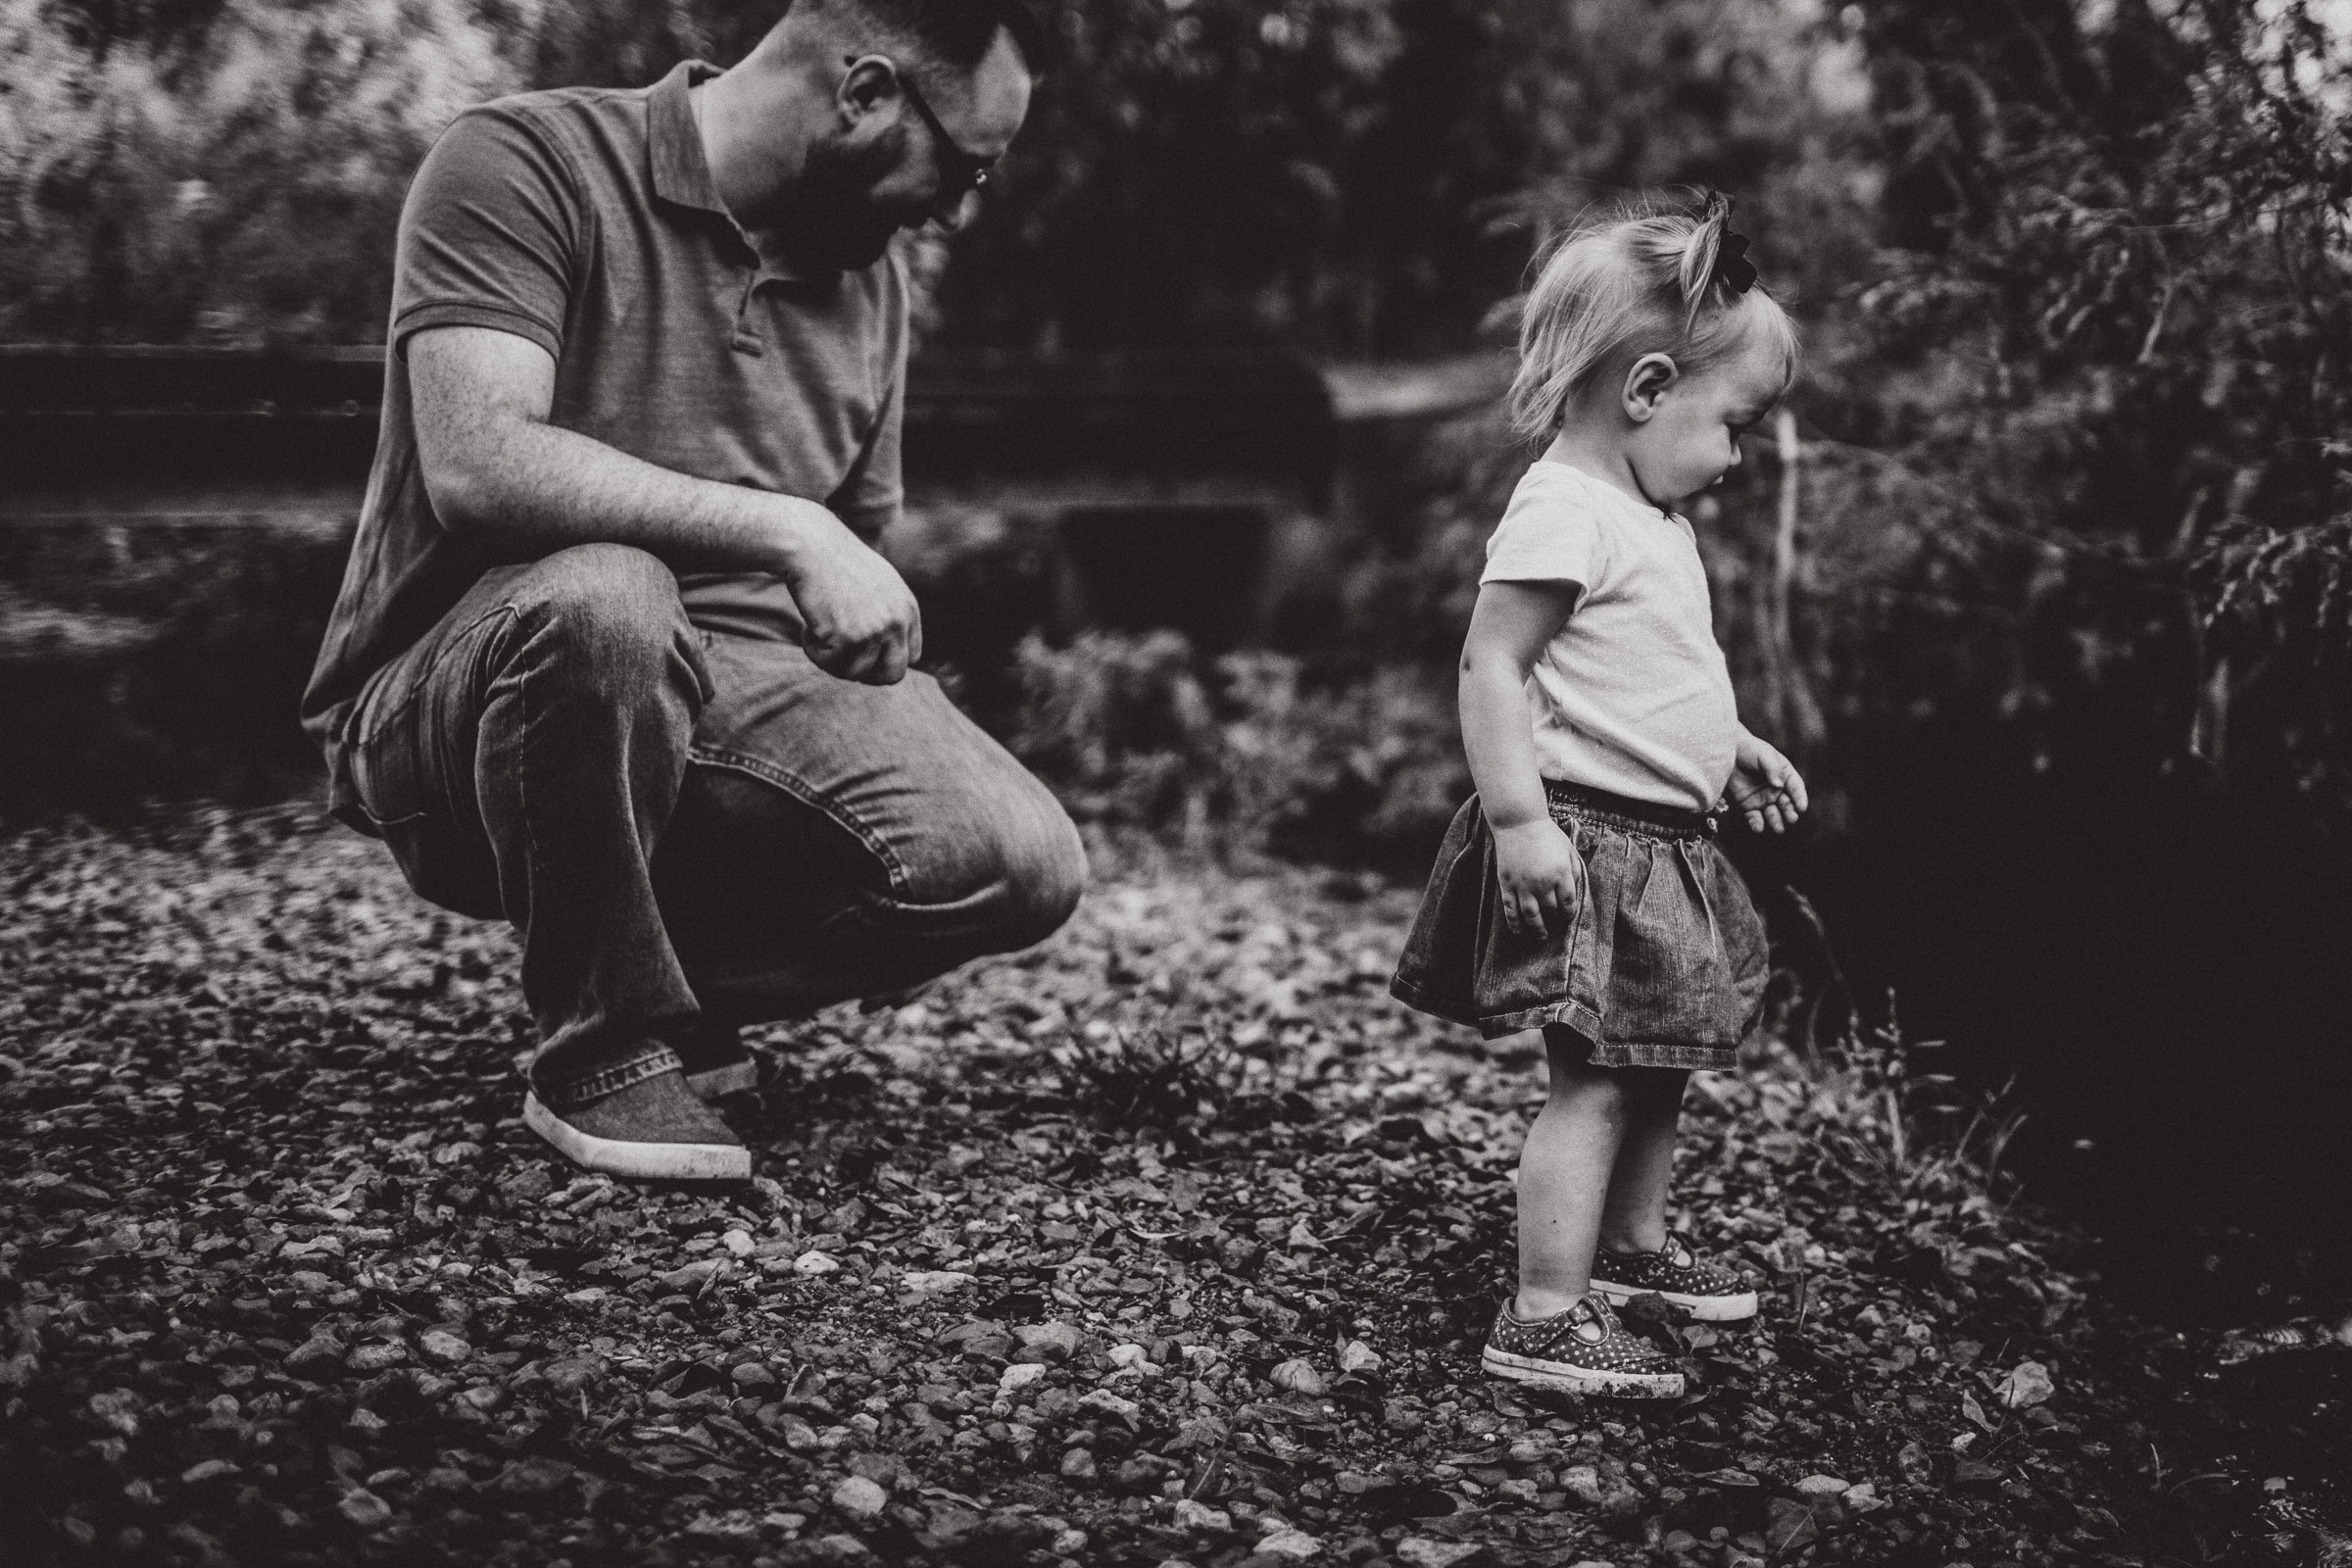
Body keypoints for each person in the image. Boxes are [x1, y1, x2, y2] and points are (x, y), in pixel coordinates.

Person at [299, 0, 1086, 1184]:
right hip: (460, 701)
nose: (960, 203)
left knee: (1022, 855)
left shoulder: (871, 291)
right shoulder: (523, 162)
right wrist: (784, 525)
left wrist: (879, 686)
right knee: (610, 601)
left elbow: (839, 579)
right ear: (867, 95)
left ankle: (664, 980)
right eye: (965, 164)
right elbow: (478, 461)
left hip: (721, 702)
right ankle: (599, 1044)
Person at [1390, 193, 1808, 1398]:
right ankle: (1542, 1313)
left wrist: (1727, 745)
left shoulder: (1646, 514)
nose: (1735, 456)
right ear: (1647, 389)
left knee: (1656, 1059)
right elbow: (1495, 663)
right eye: (1734, 425)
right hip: (1590, 841)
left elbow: (1643, 677)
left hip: (1667, 835)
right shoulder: (1566, 506)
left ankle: (1630, 1254)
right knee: (1595, 1077)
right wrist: (1518, 820)